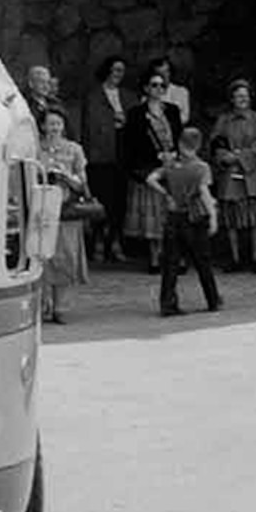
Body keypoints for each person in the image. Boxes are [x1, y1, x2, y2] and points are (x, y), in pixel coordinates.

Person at [152, 124, 223, 317]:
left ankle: (167, 304)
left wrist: (166, 194)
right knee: (202, 261)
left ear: (180, 143)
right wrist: (214, 217)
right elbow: (204, 193)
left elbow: (151, 179)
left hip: (174, 216)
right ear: (198, 145)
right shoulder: (201, 167)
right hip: (195, 217)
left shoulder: (171, 165)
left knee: (171, 263)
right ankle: (212, 299)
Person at [33, 106, 90, 325]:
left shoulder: (74, 149)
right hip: (42, 210)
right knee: (41, 257)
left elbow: (83, 182)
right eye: (50, 123)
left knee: (65, 258)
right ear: (42, 126)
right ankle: (42, 304)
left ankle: (60, 307)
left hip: (66, 211)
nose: (54, 128)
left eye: (58, 123)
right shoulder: (36, 149)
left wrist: (66, 175)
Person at [118, 64, 180, 263]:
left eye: (162, 86)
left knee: (172, 214)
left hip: (173, 166)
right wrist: (156, 157)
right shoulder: (136, 113)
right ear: (145, 88)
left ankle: (172, 256)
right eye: (154, 85)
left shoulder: (172, 110)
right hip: (150, 167)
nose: (159, 89)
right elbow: (131, 144)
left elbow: (179, 136)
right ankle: (154, 257)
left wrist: (175, 155)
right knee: (154, 215)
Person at [210, 80, 256, 274]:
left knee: (254, 217)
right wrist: (224, 157)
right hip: (230, 172)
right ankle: (234, 258)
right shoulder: (223, 120)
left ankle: (255, 257)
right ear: (232, 99)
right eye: (238, 96)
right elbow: (215, 142)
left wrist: (240, 157)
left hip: (250, 172)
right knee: (231, 217)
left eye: (245, 95)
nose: (242, 99)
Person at [81, 57, 129, 267]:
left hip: (122, 152)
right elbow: (90, 127)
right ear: (107, 71)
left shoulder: (128, 96)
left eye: (122, 71)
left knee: (120, 201)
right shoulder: (93, 96)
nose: (118, 74)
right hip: (101, 155)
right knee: (102, 199)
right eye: (115, 70)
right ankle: (99, 241)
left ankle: (116, 240)